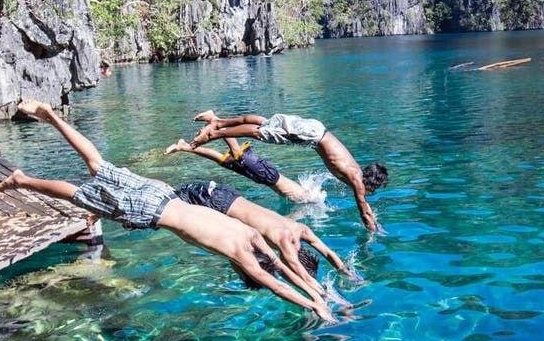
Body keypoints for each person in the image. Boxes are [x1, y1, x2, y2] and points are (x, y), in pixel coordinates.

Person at [0, 101, 335, 322]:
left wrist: (315, 290)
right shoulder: (242, 252)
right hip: (150, 211)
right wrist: (315, 306)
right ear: (246, 270)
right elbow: (276, 282)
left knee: (97, 164)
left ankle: (52, 116)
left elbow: (282, 268)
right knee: (81, 195)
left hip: (163, 192)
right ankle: (25, 181)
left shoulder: (252, 235)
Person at [190, 110, 388, 232]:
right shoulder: (357, 179)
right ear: (372, 183)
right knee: (260, 132)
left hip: (315, 130)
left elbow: (366, 207)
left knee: (265, 123)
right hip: (311, 135)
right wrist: (372, 231)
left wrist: (374, 220)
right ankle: (214, 134)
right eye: (374, 189)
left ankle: (218, 121)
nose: (370, 193)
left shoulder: (355, 171)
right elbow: (364, 211)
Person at [173, 180, 357, 297]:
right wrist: (326, 297)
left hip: (227, 195)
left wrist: (348, 273)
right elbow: (298, 276)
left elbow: (328, 252)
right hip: (213, 202)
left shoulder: (301, 230)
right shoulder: (284, 242)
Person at [164, 136, 314, 203]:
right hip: (268, 176)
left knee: (223, 161)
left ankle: (183, 146)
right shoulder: (308, 199)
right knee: (236, 152)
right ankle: (216, 122)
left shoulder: (305, 196)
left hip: (263, 178)